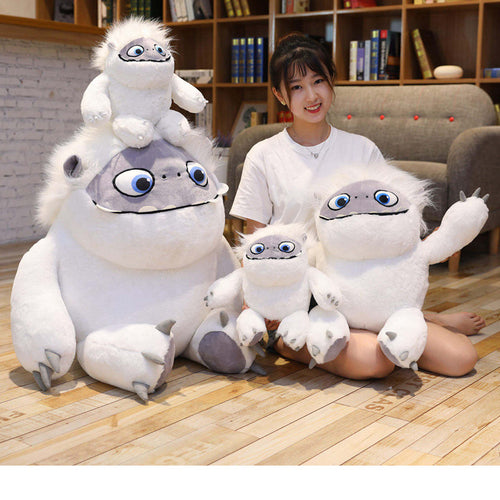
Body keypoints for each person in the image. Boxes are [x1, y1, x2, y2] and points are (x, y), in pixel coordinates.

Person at [230, 33, 483, 379]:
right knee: (374, 361)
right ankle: (288, 340)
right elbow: (253, 241)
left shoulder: (362, 149)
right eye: (297, 87)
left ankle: (417, 320)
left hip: (360, 288)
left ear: (332, 81)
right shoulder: (263, 155)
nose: (312, 96)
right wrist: (259, 306)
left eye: (318, 81)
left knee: (461, 358)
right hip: (296, 297)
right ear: (279, 95)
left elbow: (386, 224)